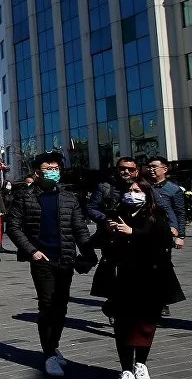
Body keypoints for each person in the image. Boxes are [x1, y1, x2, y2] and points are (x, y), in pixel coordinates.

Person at [6, 152, 96, 377]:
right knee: (47, 305)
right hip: (42, 260)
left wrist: (88, 253)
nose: (53, 171)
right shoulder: (24, 196)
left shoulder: (68, 197)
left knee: (61, 305)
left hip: (65, 258)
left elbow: (79, 228)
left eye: (56, 168)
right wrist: (32, 251)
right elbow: (13, 227)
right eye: (48, 168)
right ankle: (48, 354)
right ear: (37, 173)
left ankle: (53, 346)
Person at [90, 177, 184, 379]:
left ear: (147, 194)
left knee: (146, 323)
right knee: (123, 324)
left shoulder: (156, 215)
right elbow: (100, 241)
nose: (132, 194)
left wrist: (133, 232)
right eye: (130, 190)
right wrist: (109, 230)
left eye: (138, 191)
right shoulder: (116, 214)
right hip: (122, 277)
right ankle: (126, 367)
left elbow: (163, 241)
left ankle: (140, 363)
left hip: (150, 277)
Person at [145, 156, 185, 317]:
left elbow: (180, 213)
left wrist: (181, 234)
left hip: (165, 234)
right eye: (149, 167)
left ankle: (163, 302)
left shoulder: (173, 189)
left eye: (155, 167)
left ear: (165, 169)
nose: (151, 169)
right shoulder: (143, 186)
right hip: (145, 232)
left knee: (161, 267)